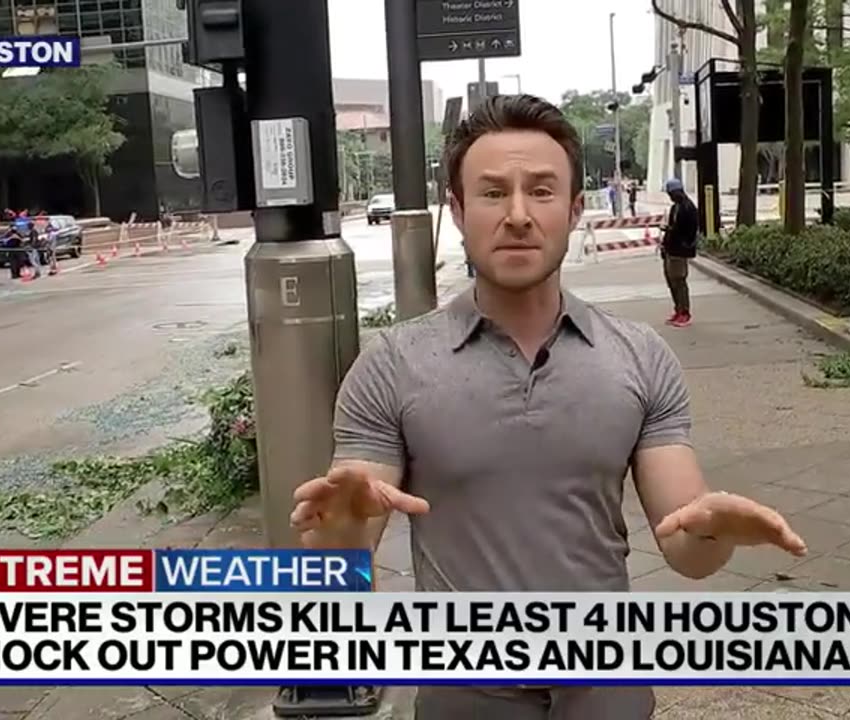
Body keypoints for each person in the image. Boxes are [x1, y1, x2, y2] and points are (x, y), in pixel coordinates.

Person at [289, 95, 806, 720]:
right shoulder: (393, 365)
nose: (517, 216)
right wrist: (339, 528)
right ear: (456, 211)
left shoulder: (639, 357)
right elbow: (338, 576)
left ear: (574, 209)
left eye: (540, 191)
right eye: (490, 193)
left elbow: (687, 548)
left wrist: (720, 528)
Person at [660, 178, 698, 327]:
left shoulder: (688, 208)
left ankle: (685, 312)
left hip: (680, 250)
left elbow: (689, 231)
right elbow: (672, 227)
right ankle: (678, 309)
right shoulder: (675, 208)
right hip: (671, 249)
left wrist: (683, 243)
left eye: (671, 193)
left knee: (679, 281)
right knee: (671, 281)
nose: (670, 196)